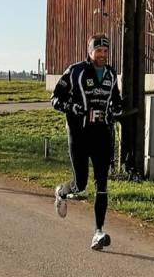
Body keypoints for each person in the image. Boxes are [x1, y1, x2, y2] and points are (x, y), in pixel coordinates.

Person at [51, 34, 123, 251]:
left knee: (102, 184)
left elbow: (116, 100)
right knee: (80, 184)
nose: (102, 55)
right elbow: (55, 99)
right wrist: (72, 108)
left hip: (102, 134)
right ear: (90, 52)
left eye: (105, 51)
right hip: (79, 134)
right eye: (98, 51)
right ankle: (62, 192)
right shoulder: (75, 71)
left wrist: (116, 111)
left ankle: (98, 232)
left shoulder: (111, 74)